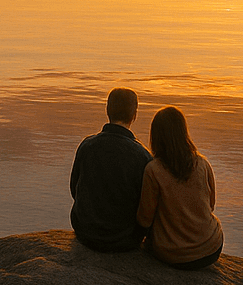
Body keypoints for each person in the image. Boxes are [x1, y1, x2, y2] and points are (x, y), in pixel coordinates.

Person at [137, 105, 223, 270]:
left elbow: (144, 219)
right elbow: (210, 206)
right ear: (184, 133)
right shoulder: (203, 164)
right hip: (211, 248)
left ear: (156, 136)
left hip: (171, 254)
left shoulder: (153, 170)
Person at [69, 88, 152, 252]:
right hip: (125, 238)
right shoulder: (143, 156)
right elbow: (146, 207)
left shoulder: (87, 146)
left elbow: (74, 189)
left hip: (86, 232)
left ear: (107, 110)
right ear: (134, 115)